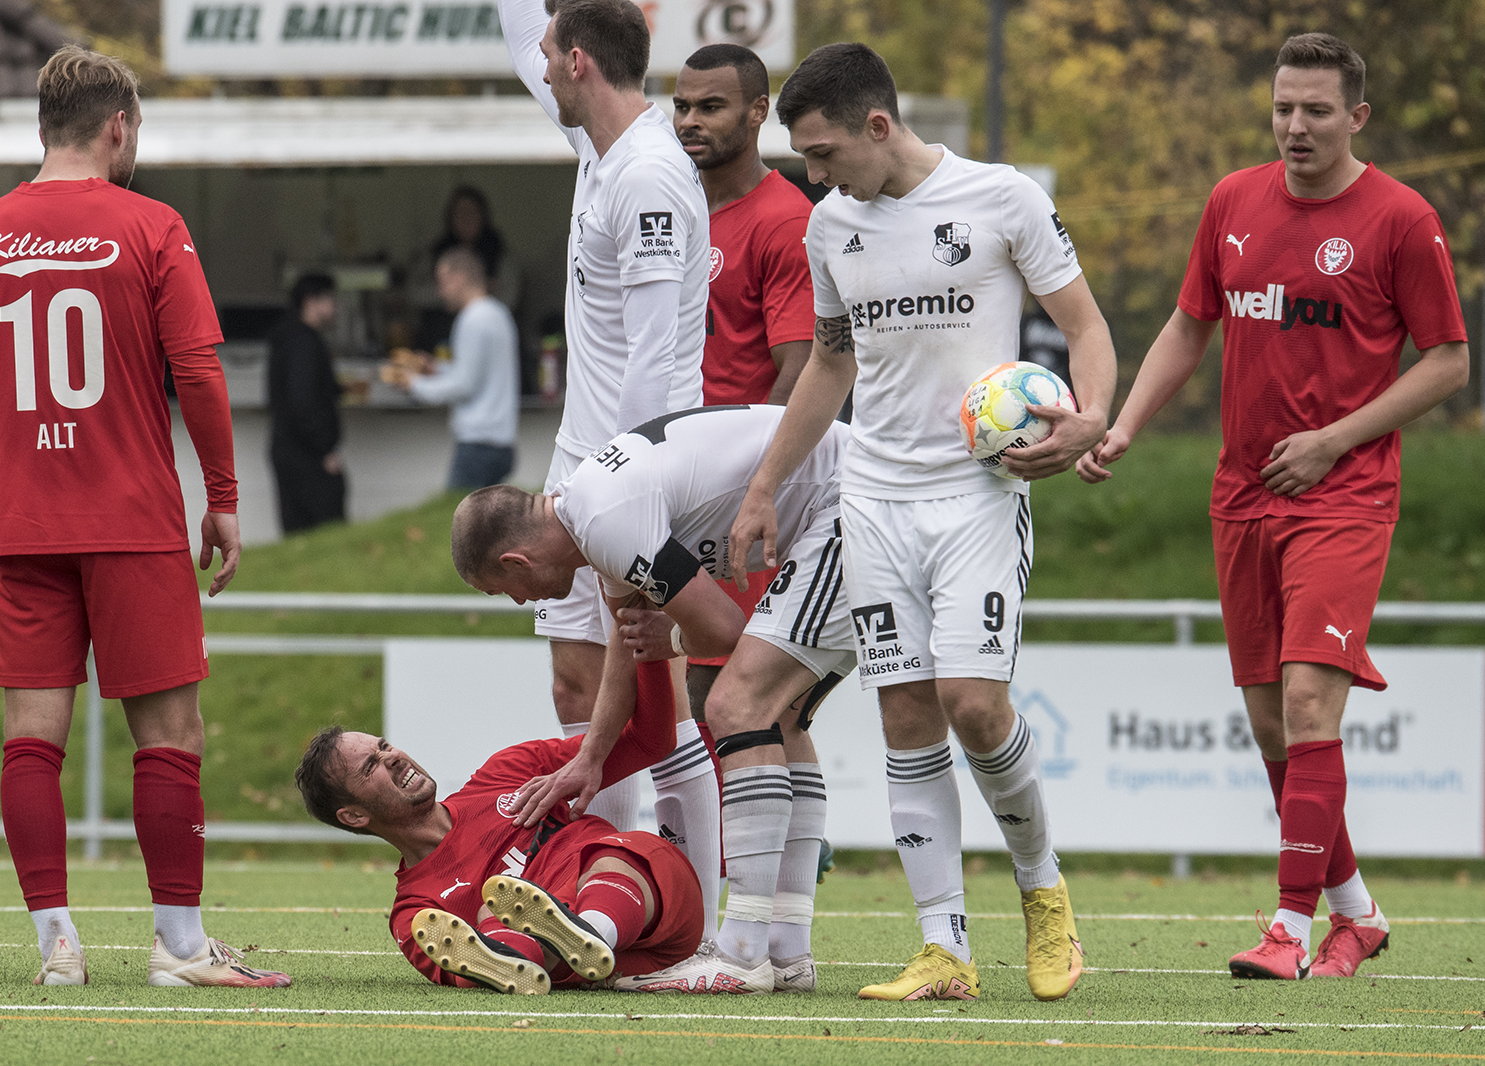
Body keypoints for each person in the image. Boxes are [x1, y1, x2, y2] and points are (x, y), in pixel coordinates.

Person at [1077, 33, 1471, 982]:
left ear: (1357, 118)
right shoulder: (1232, 201)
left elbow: (1450, 360)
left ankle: (1288, 932)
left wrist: (1336, 440)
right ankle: (1358, 915)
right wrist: (1126, 423)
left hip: (1345, 495)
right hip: (1242, 495)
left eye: (1318, 111)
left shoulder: (1401, 220)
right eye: (1284, 108)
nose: (1297, 126)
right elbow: (1187, 324)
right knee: (1269, 726)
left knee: (1307, 704)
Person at [729, 43, 1118, 1003]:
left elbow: (1088, 327)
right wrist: (766, 483)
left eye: (822, 154)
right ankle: (944, 946)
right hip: (875, 498)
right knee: (904, 715)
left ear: (876, 125)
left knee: (976, 707)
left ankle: (1043, 890)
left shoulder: (1004, 199)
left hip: (978, 494)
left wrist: (1094, 418)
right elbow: (830, 363)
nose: (812, 176)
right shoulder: (831, 228)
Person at [0, 45, 289, 989]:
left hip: (26, 526)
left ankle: (57, 949)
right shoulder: (152, 225)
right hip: (132, 519)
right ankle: (177, 946)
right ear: (118, 126)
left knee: (31, 736)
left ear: (44, 128)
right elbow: (200, 371)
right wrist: (226, 498)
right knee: (169, 735)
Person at [452, 405, 856, 994]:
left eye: (503, 589)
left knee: (735, 707)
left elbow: (717, 631)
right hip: (842, 498)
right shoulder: (586, 511)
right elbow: (627, 632)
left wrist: (669, 636)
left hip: (849, 502)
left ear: (517, 561)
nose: (517, 601)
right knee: (782, 718)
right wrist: (590, 757)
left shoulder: (605, 521)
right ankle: (787, 952)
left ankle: (743, 956)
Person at [498, 0, 710, 833]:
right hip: (582, 463)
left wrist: (623, 490)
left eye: (554, 56)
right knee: (575, 689)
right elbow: (522, 33)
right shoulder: (598, 145)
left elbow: (655, 357)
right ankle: (607, 883)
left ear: (580, 61)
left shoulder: (650, 172)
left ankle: (684, 923)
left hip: (634, 470)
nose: (541, 68)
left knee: (661, 706)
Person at [293, 659, 702, 993]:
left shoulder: (508, 771)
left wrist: (649, 655)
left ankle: (586, 932)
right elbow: (455, 968)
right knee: (498, 910)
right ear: (355, 816)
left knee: (618, 853)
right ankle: (522, 953)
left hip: (651, 908)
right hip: (605, 969)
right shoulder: (415, 910)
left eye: (384, 745)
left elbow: (650, 740)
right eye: (371, 766)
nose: (394, 756)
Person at [671, 44, 818, 742]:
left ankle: (772, 855)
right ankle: (778, 854)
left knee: (736, 693)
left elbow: (803, 369)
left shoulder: (783, 219)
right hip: (684, 484)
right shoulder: (678, 207)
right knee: (702, 693)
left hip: (740, 493)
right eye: (681, 106)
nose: (689, 121)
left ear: (758, 112)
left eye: (710, 106)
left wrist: (757, 487)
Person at [381, 247, 520, 490]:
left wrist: (413, 383)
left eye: (442, 282)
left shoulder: (472, 319)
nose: (440, 292)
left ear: (459, 278)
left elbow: (464, 385)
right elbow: (477, 373)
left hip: (478, 445)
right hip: (502, 443)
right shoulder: (498, 313)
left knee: (458, 523)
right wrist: (436, 369)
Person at [267, 272, 346, 534]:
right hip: (307, 456)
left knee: (297, 537)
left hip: (288, 449)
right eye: (330, 299)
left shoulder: (286, 336)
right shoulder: (305, 343)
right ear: (311, 302)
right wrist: (324, 449)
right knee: (327, 535)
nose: (335, 306)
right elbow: (303, 401)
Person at [429, 186, 518, 308]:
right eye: (460, 213)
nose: (466, 219)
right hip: (443, 323)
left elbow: (510, 296)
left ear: (483, 216)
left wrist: (477, 295)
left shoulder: (498, 251)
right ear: (450, 218)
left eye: (472, 212)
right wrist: (459, 292)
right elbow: (416, 292)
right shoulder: (437, 251)